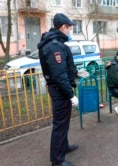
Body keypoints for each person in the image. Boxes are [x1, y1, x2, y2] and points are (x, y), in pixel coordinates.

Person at [37, 13, 81, 166]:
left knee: (64, 122)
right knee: (60, 124)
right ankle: (57, 161)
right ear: (63, 27)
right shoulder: (54, 45)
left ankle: (63, 146)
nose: (70, 31)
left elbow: (64, 68)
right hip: (60, 90)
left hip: (59, 88)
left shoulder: (55, 43)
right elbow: (58, 74)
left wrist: (75, 73)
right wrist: (70, 95)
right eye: (69, 28)